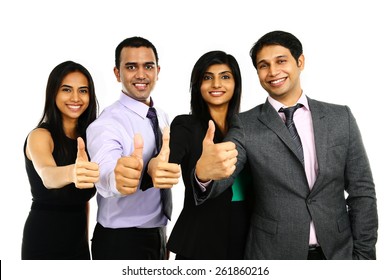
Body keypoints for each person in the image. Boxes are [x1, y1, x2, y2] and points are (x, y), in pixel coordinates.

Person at [194, 30, 378, 260]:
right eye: (263, 65)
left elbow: (362, 192)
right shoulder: (245, 124)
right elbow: (222, 178)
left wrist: (364, 256)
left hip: (338, 253)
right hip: (274, 255)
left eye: (281, 61)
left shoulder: (340, 117)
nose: (273, 72)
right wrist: (203, 174)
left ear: (300, 61)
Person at [148, 51, 251, 259]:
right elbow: (167, 161)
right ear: (198, 85)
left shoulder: (249, 128)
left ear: (236, 84)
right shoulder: (186, 126)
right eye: (207, 77)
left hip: (247, 236)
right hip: (202, 239)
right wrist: (155, 166)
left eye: (225, 76)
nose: (216, 84)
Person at [86, 36, 176, 260]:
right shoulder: (106, 124)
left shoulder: (162, 116)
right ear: (117, 73)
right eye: (131, 67)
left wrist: (161, 239)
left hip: (157, 234)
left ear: (158, 71)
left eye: (148, 66)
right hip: (121, 243)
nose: (141, 74)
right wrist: (117, 178)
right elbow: (105, 171)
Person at [22, 60, 100, 260]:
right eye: (67, 89)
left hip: (78, 243)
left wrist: (85, 242)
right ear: (53, 93)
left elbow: (83, 202)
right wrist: (72, 172)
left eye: (83, 91)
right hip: (43, 240)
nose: (76, 98)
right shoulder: (40, 135)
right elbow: (48, 175)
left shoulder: (90, 138)